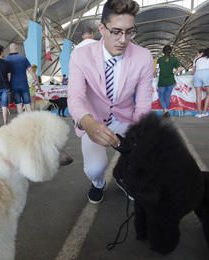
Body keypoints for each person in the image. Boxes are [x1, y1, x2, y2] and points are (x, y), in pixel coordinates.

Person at [68, 0, 154, 204]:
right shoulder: (80, 55)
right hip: (92, 118)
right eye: (116, 31)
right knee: (94, 168)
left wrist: (139, 134)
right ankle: (98, 183)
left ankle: (124, 178)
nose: (124, 39)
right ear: (102, 29)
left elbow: (143, 104)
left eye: (130, 32)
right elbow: (76, 96)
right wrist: (88, 123)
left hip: (125, 118)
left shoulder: (144, 57)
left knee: (143, 160)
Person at [5, 43, 38, 114]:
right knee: (27, 104)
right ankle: (30, 121)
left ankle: (21, 121)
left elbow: (7, 74)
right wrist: (36, 80)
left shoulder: (6, 59)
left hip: (13, 86)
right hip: (24, 85)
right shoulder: (23, 58)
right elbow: (31, 71)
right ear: (17, 48)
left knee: (18, 104)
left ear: (10, 49)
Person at [157, 45, 184, 117]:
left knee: (161, 96)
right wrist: (174, 73)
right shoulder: (174, 59)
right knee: (167, 96)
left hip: (162, 81)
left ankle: (165, 110)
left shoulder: (159, 59)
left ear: (163, 51)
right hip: (171, 81)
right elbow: (181, 68)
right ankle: (166, 111)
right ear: (170, 51)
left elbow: (156, 70)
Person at [192, 48, 209, 118]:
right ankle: (204, 112)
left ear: (202, 53)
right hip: (207, 73)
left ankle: (199, 113)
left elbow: (193, 72)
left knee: (198, 95)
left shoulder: (196, 59)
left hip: (197, 74)